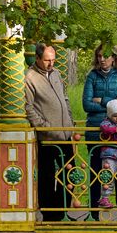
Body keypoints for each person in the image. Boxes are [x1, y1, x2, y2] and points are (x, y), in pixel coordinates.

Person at [23, 43, 75, 222]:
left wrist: (70, 120)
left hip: (65, 133)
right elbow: (28, 107)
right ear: (37, 58)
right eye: (46, 60)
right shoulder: (30, 77)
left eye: (53, 60)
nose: (50, 64)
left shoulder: (56, 74)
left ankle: (63, 212)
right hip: (47, 137)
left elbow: (65, 98)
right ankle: (50, 215)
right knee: (47, 177)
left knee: (69, 174)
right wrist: (44, 126)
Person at [82, 45, 117, 210]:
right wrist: (114, 103)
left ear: (114, 58)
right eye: (99, 56)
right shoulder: (92, 76)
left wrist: (101, 100)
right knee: (96, 172)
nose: (102, 59)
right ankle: (94, 213)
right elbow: (86, 104)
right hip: (95, 130)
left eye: (106, 56)